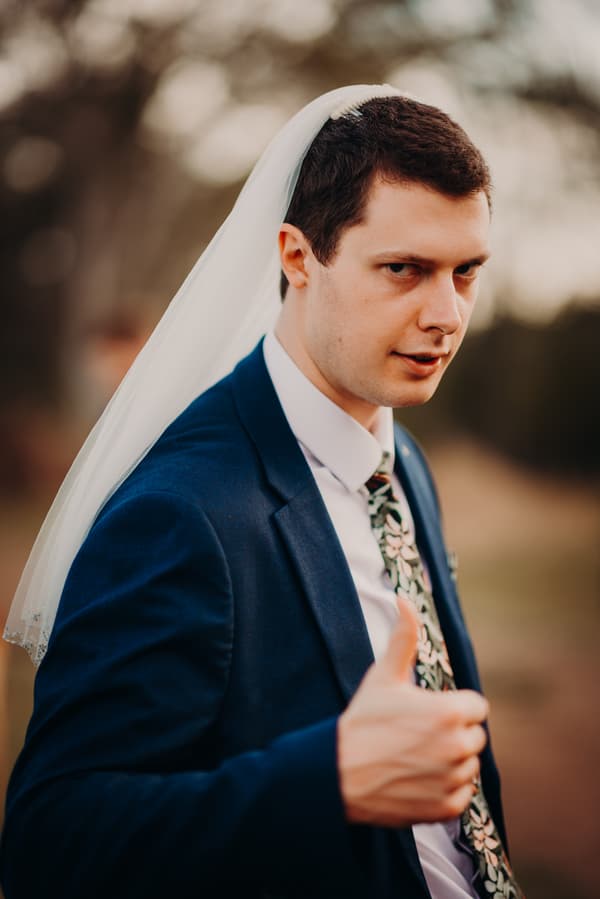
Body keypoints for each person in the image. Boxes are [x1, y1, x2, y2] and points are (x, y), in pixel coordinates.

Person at [0, 85, 524, 899]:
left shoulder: (404, 458)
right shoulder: (178, 512)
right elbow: (51, 839)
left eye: (467, 272)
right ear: (296, 258)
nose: (446, 313)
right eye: (404, 270)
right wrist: (331, 780)